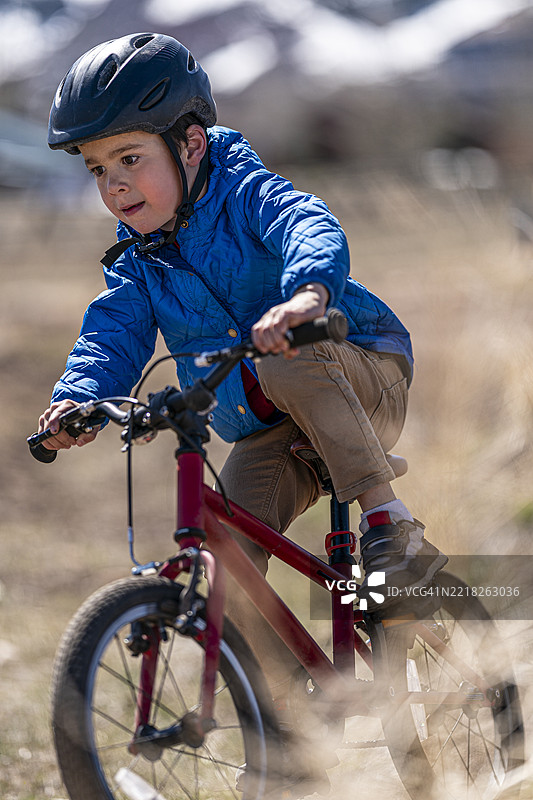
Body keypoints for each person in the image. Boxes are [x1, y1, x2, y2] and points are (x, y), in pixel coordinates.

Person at [37, 31, 447, 794]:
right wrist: (79, 399)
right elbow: (111, 335)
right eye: (98, 170)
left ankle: (392, 529)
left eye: (131, 159)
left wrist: (305, 296)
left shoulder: (243, 189)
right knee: (226, 559)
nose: (115, 186)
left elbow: (306, 222)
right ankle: (288, 721)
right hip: (270, 427)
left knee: (280, 356)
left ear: (190, 143)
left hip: (358, 374)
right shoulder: (138, 260)